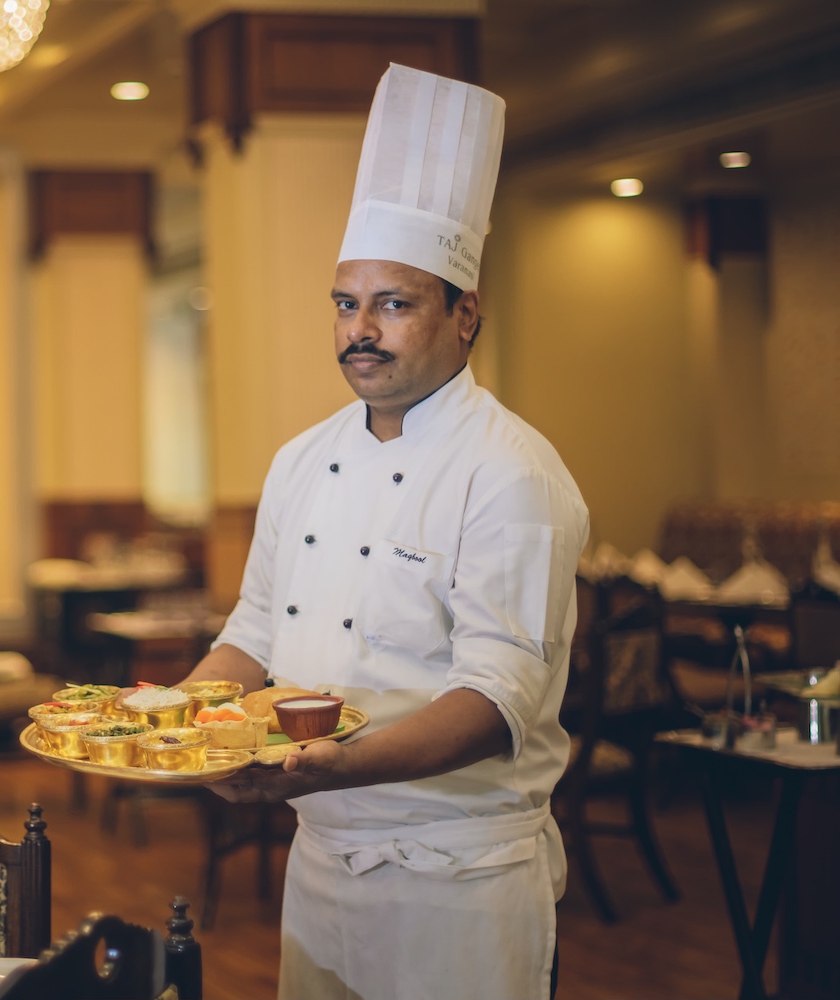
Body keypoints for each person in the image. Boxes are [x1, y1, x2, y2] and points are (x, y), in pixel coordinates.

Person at [184, 64, 589, 1000]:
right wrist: (175, 721)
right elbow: (254, 631)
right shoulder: (301, 459)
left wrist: (328, 768)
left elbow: (495, 700)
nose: (359, 330)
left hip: (460, 876)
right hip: (322, 858)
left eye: (393, 304)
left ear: (464, 314)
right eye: (345, 303)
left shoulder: (512, 472)